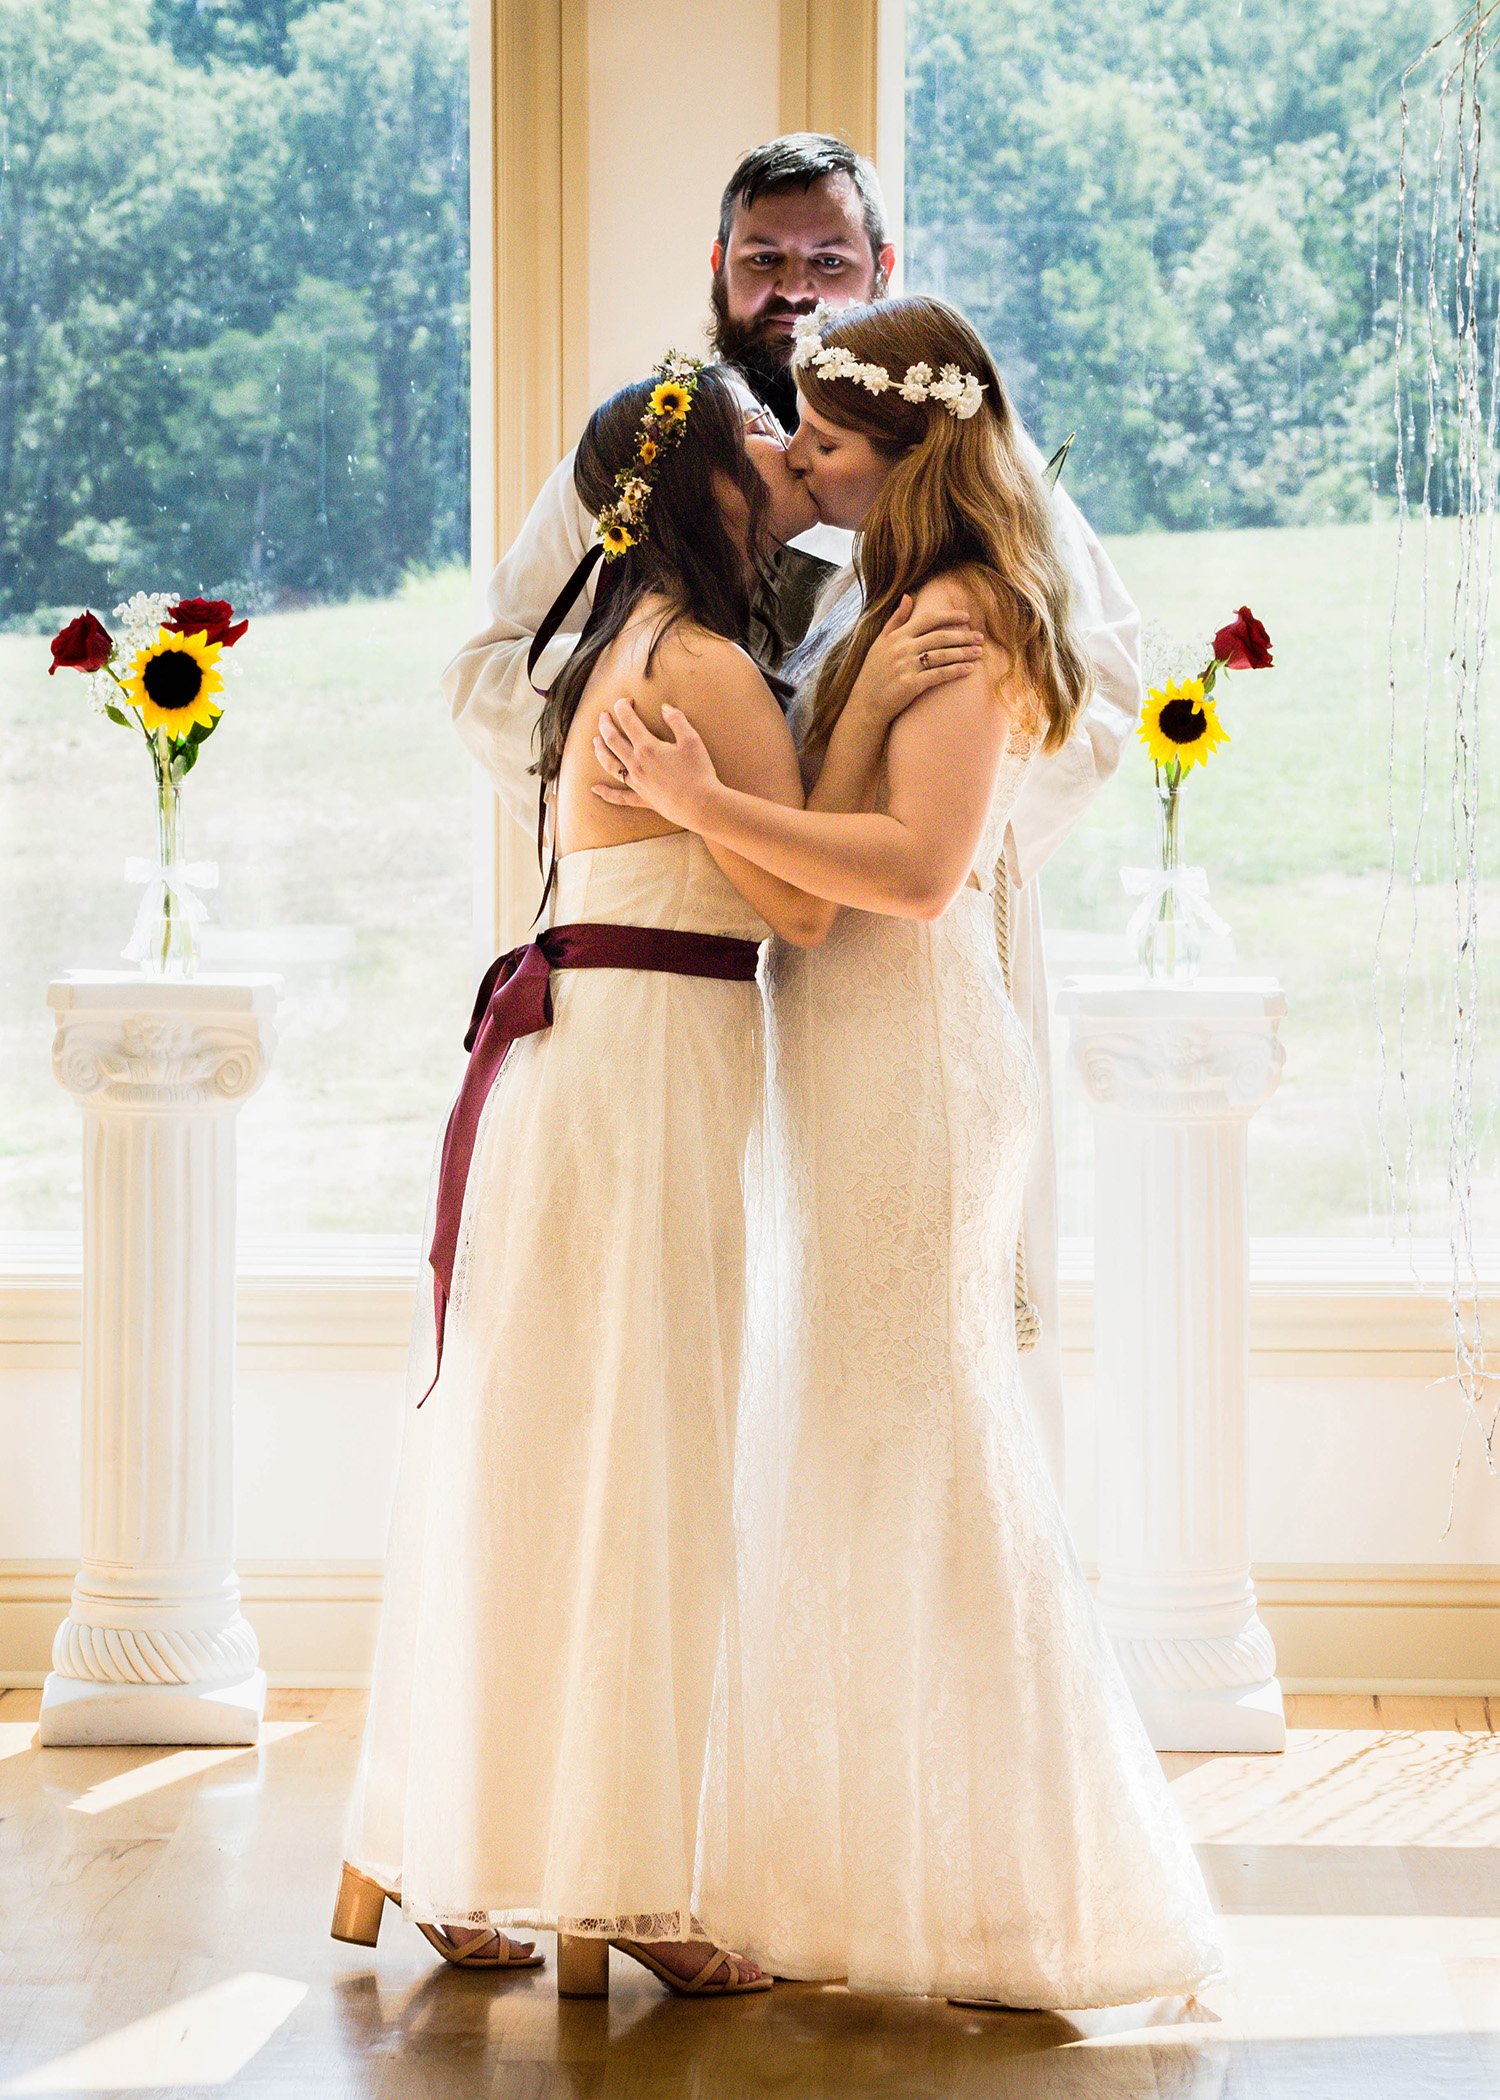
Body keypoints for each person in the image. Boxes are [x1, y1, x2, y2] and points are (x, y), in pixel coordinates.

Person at [592, 297, 1224, 2007]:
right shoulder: (897, 599)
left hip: (922, 1066)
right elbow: (862, 788)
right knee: (864, 1450)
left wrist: (703, 804)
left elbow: (921, 872)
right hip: (856, 1053)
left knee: (925, 1447)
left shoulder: (971, 612)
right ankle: (894, 1863)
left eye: (829, 442)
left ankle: (1030, 1891)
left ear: (915, 448)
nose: (800, 463)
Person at [329, 359, 963, 1997]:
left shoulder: (610, 639)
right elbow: (812, 908)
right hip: (646, 1070)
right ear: (699, 488)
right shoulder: (704, 665)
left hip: (581, 1058)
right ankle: (630, 1885)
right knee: (648, 1450)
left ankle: (458, 1850)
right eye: (762, 437)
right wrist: (882, 712)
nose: (786, 451)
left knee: (538, 1451)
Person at [443, 131, 1142, 1492]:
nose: (790, 287)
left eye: (826, 261)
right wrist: (660, 790)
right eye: (763, 259)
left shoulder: (970, 511)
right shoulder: (643, 455)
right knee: (726, 1371)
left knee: (892, 1372)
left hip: (883, 951)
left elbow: (1091, 690)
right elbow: (496, 670)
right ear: (718, 270)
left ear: (880, 270)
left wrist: (899, 811)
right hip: (693, 964)